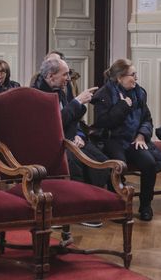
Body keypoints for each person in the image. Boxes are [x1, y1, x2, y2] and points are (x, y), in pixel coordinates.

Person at [34, 56, 109, 226]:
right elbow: (53, 122)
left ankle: (91, 206)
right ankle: (77, 210)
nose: (68, 78)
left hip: (69, 139)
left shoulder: (61, 90)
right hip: (49, 144)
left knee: (100, 159)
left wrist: (79, 136)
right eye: (65, 74)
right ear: (51, 76)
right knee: (74, 162)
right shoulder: (37, 93)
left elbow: (72, 120)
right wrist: (77, 101)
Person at [92, 59, 161, 222]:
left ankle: (145, 206)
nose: (136, 79)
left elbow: (147, 119)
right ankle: (118, 207)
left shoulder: (139, 92)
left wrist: (142, 135)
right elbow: (103, 123)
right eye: (133, 75)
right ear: (120, 77)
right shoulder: (103, 94)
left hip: (133, 139)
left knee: (149, 163)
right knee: (119, 166)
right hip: (111, 139)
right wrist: (123, 106)